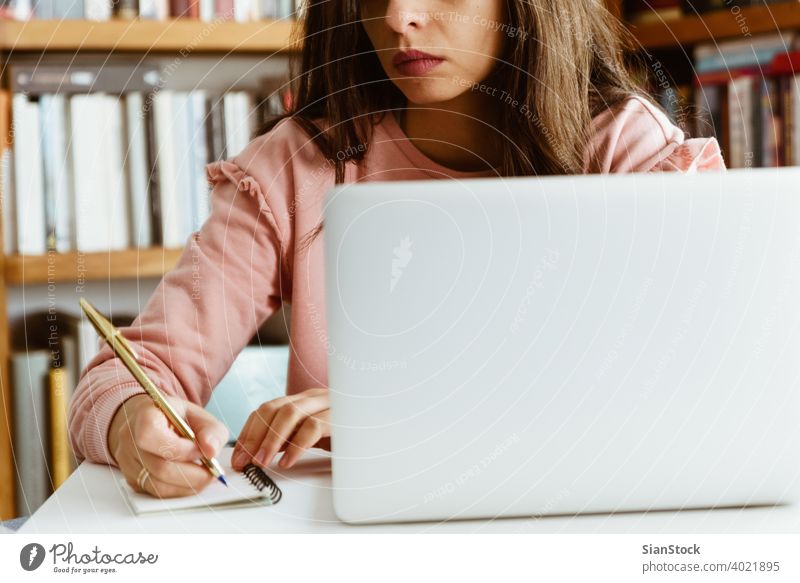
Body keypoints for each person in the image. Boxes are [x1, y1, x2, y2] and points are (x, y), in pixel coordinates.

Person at [68, 0, 725, 498]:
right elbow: (128, 371)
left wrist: (397, 415)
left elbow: (703, 382)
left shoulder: (627, 152)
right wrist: (134, 426)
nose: (398, 17)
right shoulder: (299, 166)